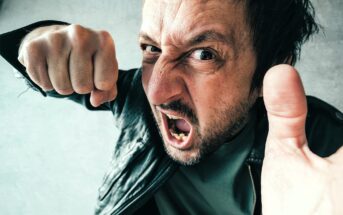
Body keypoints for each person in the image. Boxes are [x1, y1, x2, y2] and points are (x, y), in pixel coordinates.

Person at [0, 0, 342, 214]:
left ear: (269, 71)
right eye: (151, 48)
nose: (157, 91)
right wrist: (38, 41)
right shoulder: (135, 95)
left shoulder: (327, 145)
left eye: (203, 54)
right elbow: (40, 64)